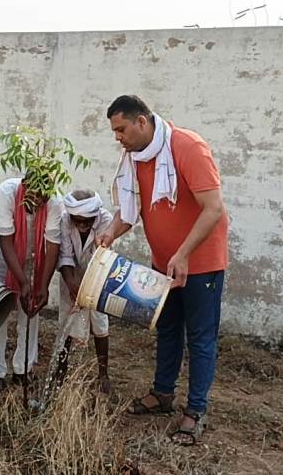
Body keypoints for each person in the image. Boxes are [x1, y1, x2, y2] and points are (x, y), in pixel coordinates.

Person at [98, 95, 228, 445]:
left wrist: (184, 253)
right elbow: (130, 209)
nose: (117, 138)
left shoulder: (188, 146)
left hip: (200, 263)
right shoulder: (135, 157)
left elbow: (213, 208)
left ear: (142, 121)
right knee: (168, 329)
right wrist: (111, 231)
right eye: (114, 131)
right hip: (164, 264)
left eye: (121, 129)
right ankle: (163, 394)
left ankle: (196, 410)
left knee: (200, 337)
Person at [0, 174, 63, 394]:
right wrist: (23, 282)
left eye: (44, 197)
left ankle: (23, 369)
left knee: (31, 308)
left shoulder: (54, 203)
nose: (39, 202)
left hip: (31, 255)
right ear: (25, 187)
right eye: (35, 196)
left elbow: (53, 245)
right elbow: (6, 243)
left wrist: (42, 286)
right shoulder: (6, 193)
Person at [55, 189, 113, 394]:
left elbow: (103, 256)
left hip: (98, 275)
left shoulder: (106, 220)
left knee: (99, 321)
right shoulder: (63, 220)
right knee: (67, 322)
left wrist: (87, 287)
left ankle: (103, 373)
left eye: (85, 221)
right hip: (71, 275)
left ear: (94, 216)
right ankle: (60, 370)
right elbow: (65, 255)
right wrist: (71, 284)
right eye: (76, 220)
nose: (81, 225)